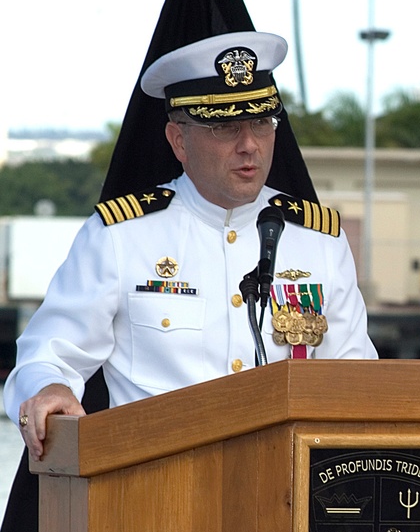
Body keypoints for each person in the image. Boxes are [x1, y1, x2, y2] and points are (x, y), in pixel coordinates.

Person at [4, 31, 377, 461]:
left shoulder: (320, 241)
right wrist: (49, 387)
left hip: (286, 494)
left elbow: (355, 382)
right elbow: (45, 354)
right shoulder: (120, 236)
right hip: (156, 491)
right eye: (225, 127)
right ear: (178, 140)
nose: (249, 144)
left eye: (261, 122)